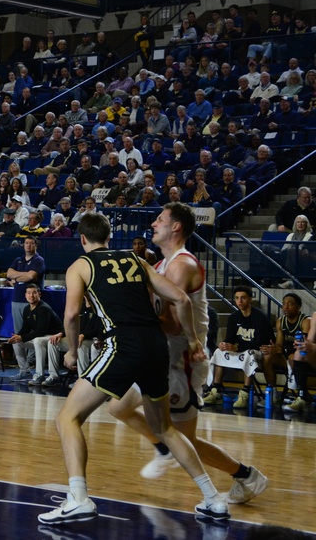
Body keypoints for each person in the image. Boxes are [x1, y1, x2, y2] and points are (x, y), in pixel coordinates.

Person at [39, 212, 228, 525]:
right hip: (157, 346)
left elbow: (72, 315)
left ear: (83, 239)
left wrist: (72, 351)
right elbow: (181, 299)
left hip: (123, 345)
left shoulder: (80, 266)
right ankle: (213, 498)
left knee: (67, 417)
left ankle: (78, 497)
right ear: (109, 236)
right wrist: (194, 341)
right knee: (164, 428)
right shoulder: (136, 259)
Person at [105, 203, 268, 504]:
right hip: (158, 356)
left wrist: (128, 315)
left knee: (185, 439)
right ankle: (164, 448)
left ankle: (245, 475)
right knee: (118, 407)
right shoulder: (160, 266)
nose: (153, 223)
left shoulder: (183, 265)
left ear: (176, 227)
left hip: (180, 360)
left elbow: (171, 323)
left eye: (160, 219)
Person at [201, 286, 274, 408]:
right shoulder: (233, 317)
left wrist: (237, 347)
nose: (240, 301)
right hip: (239, 350)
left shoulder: (260, 318)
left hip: (257, 351)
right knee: (219, 352)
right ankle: (216, 391)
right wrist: (224, 344)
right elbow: (230, 338)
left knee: (249, 353)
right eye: (237, 298)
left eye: (243, 298)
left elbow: (260, 342)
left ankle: (245, 393)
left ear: (250, 299)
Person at [9, 284, 65, 386]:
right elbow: (26, 328)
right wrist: (17, 337)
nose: (31, 295)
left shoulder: (43, 308)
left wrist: (22, 337)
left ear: (39, 294)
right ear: (25, 295)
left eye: (34, 293)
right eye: (29, 293)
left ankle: (40, 375)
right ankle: (24, 371)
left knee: (37, 340)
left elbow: (41, 331)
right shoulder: (27, 309)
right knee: (16, 342)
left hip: (55, 336)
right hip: (42, 337)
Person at [5, 236, 46, 333]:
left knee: (32, 330)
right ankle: (19, 348)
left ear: (36, 245)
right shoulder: (18, 259)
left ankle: (32, 349)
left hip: (31, 300)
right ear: (23, 245)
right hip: (17, 299)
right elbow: (9, 273)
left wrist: (16, 279)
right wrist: (25, 274)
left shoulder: (38, 260)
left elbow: (31, 276)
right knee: (18, 330)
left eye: (32, 243)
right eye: (27, 243)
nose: (29, 245)